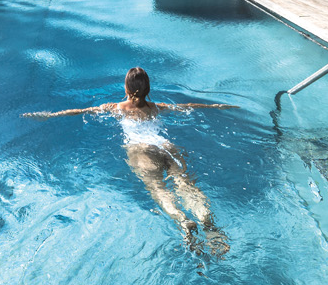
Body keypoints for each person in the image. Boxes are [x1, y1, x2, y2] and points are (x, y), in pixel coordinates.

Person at [27, 67, 232, 258]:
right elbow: (186, 107)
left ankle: (183, 220)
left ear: (125, 88)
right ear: (148, 89)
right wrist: (215, 106)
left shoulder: (116, 108)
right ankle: (207, 221)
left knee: (158, 188)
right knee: (186, 184)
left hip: (141, 150)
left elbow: (82, 111)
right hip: (166, 146)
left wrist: (51, 115)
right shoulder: (156, 107)